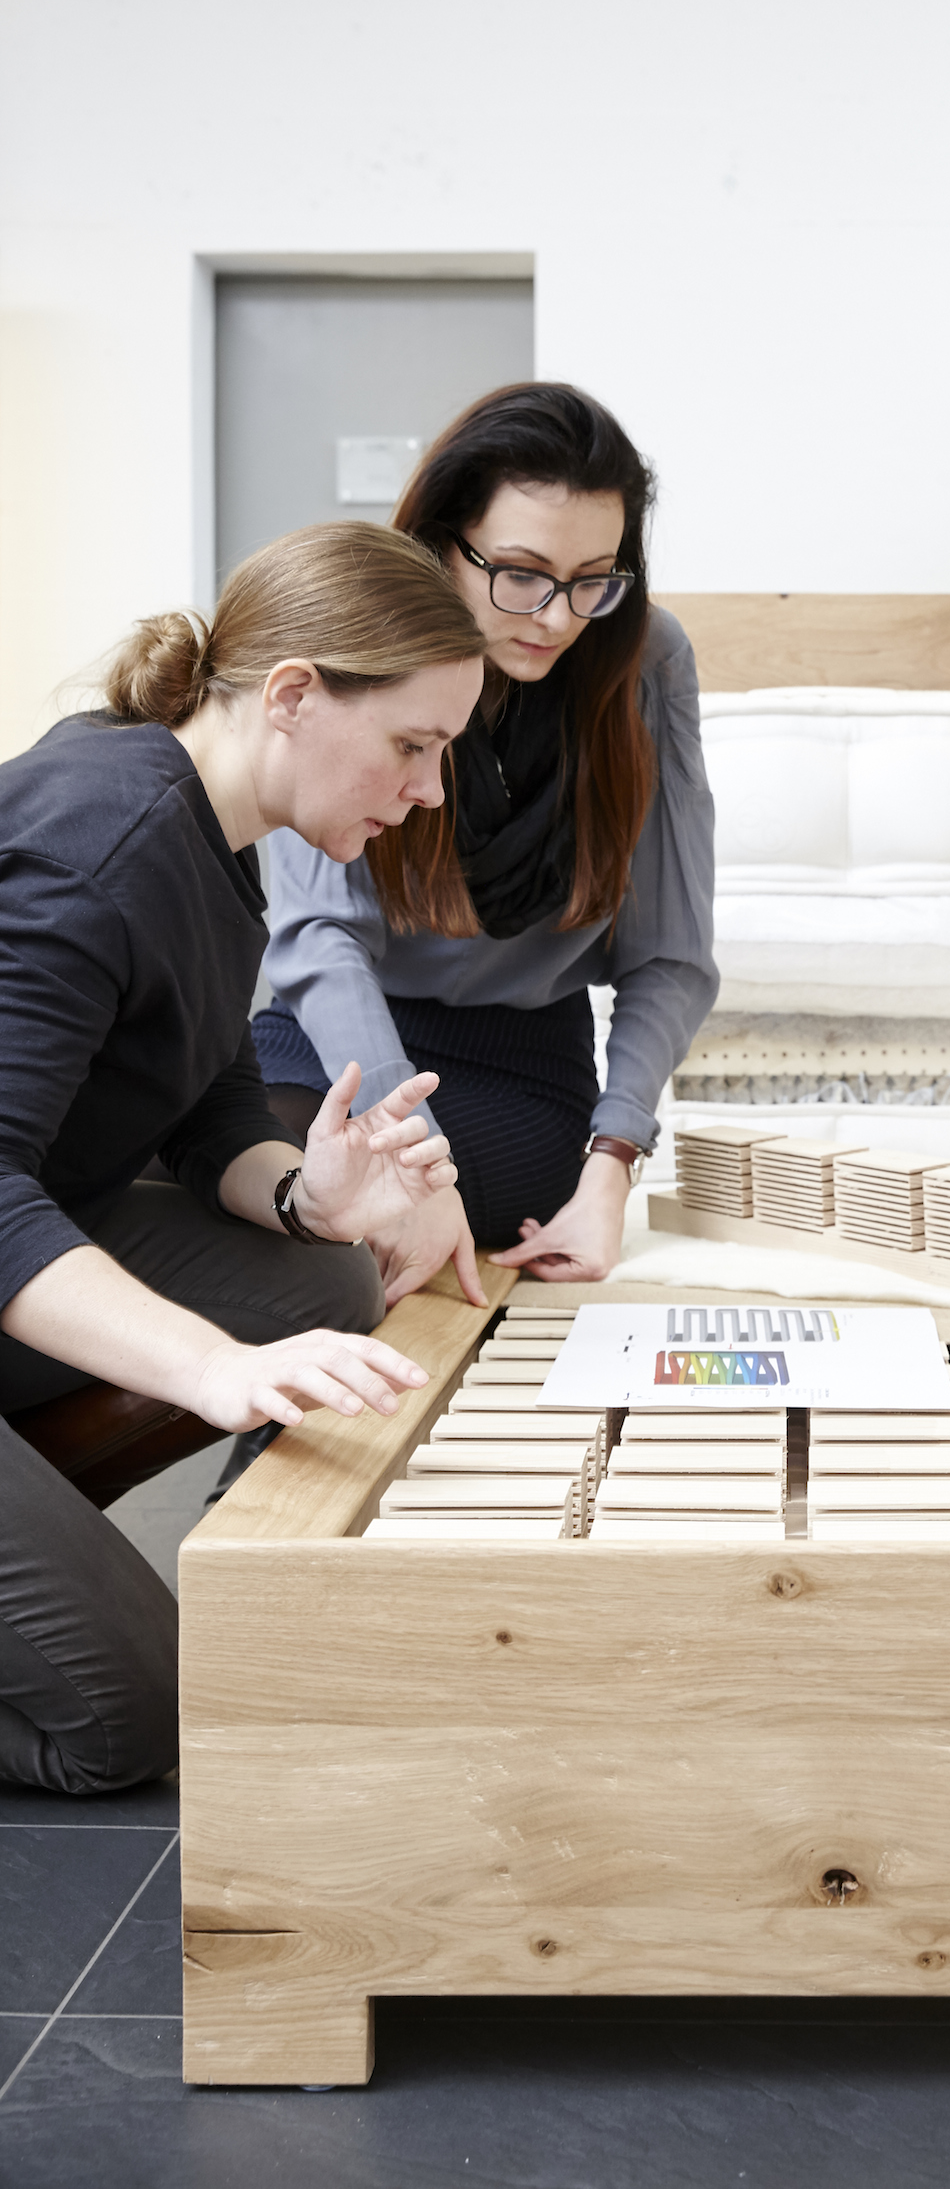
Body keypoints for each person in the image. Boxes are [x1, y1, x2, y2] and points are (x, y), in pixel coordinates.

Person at [0, 522, 487, 1791]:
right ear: (293, 696)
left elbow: (205, 1102)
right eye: (413, 747)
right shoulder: (93, 850)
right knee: (126, 1716)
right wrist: (211, 1366)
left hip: (34, 1240)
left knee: (325, 1279)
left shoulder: (212, 836)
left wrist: (301, 1190)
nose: (428, 790)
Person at [253, 382, 718, 1305]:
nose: (555, 617)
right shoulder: (356, 636)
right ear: (440, 544)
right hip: (332, 1042)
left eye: (593, 577)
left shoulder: (645, 659)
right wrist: (412, 1165)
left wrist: (610, 1169)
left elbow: (669, 957)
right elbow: (320, 941)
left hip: (523, 1066)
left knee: (357, 1264)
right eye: (519, 573)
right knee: (287, 1223)